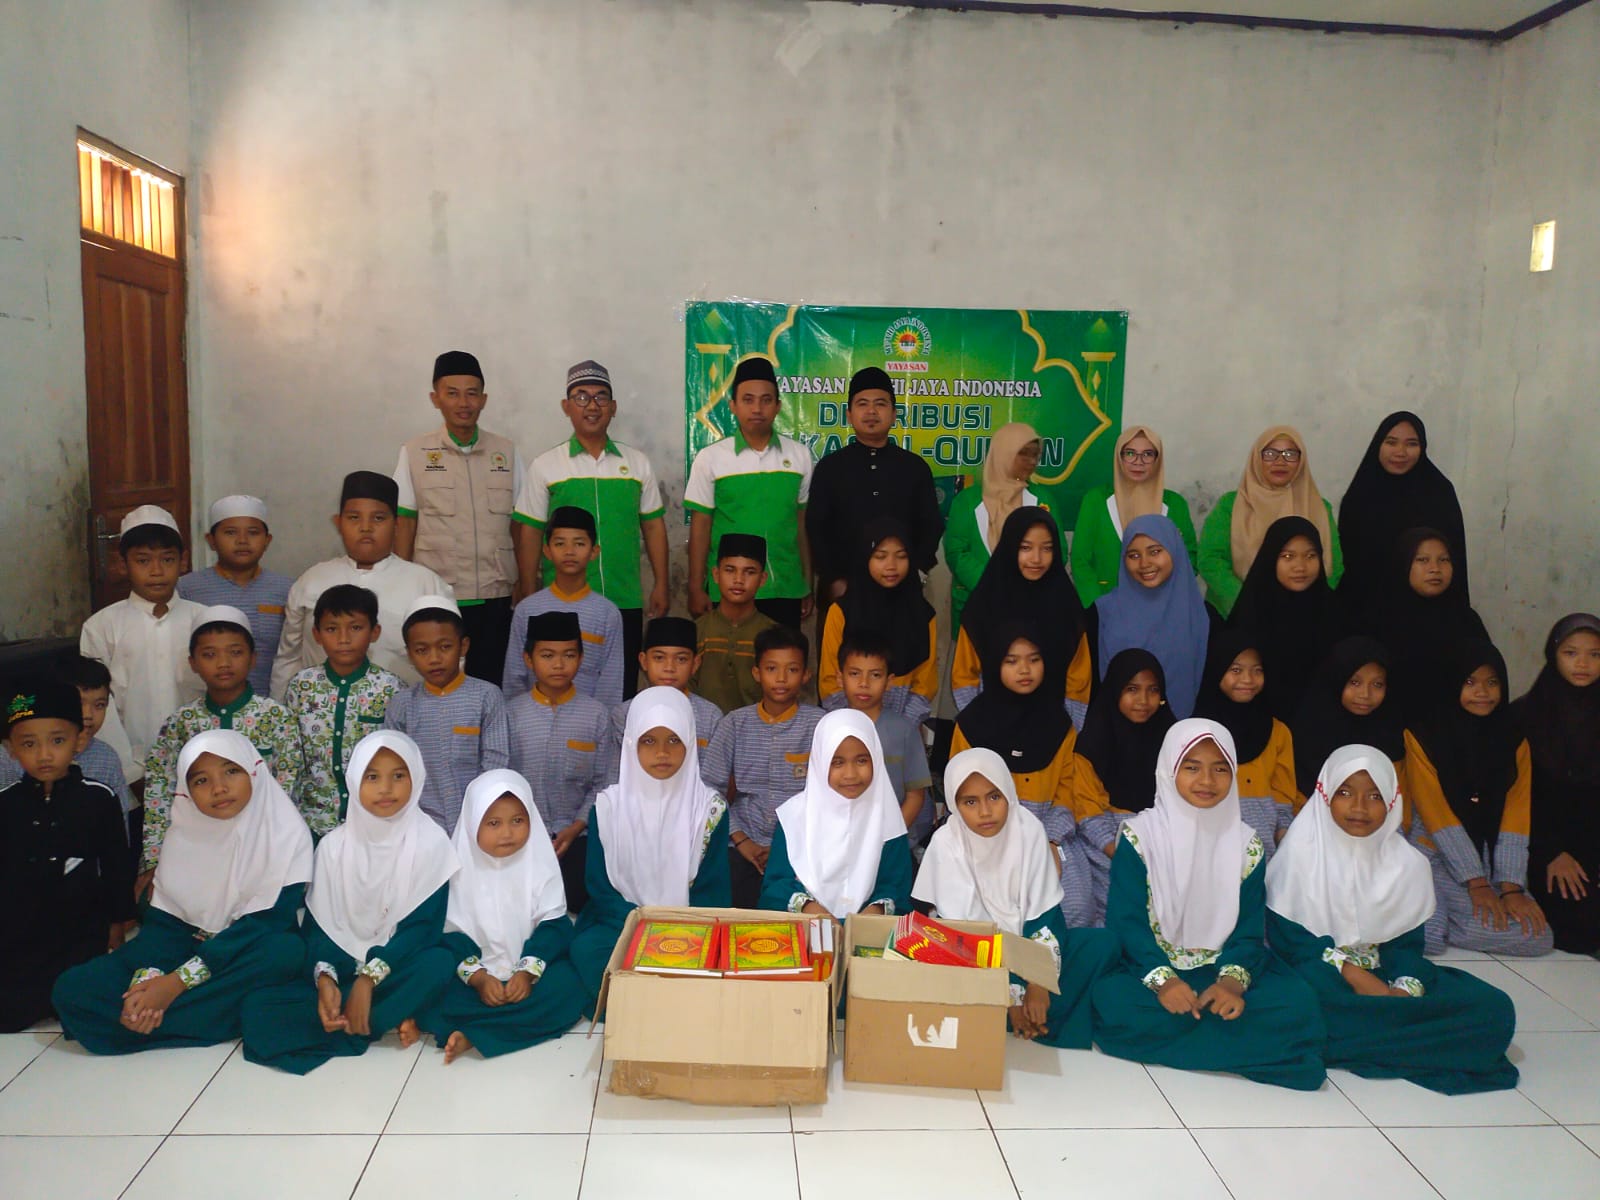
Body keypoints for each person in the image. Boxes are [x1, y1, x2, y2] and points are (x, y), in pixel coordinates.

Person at [1091, 719, 1327, 1090]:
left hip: (1222, 967)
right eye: (1192, 767)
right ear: (1169, 770)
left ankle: (1198, 1041)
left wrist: (1232, 983)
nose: (1207, 781)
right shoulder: (1140, 837)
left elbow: (1249, 930)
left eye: (1220, 769)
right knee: (1113, 1002)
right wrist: (1165, 982)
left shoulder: (1247, 844)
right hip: (1150, 967)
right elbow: (1127, 924)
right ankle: (1255, 1049)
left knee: (1299, 1002)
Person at [1267, 746, 1517, 1093]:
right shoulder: (1297, 856)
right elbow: (1292, 946)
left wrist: (1403, 988)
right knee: (1295, 1005)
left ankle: (1361, 1039)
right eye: (1345, 793)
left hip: (1384, 974)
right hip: (1322, 976)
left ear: (1392, 801)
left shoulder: (1407, 864)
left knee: (1494, 1008)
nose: (1359, 807)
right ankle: (1413, 1041)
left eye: (1375, 796)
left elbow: (1406, 947)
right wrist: (1353, 975)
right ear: (1325, 796)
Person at [53, 731, 311, 1054]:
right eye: (201, 780)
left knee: (284, 952)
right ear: (186, 791)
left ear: (254, 771)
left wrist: (175, 984)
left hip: (242, 953)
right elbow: (164, 927)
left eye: (231, 771)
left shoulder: (286, 833)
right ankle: (190, 1017)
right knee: (71, 989)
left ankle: (145, 1022)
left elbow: (264, 926)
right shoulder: (184, 835)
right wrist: (147, 984)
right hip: (182, 951)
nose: (219, 788)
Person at [240, 732, 457, 1074]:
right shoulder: (333, 847)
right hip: (342, 972)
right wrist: (326, 980)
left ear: (416, 778)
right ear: (354, 781)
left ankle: (361, 1018)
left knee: (439, 962)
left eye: (398, 776)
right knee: (257, 1006)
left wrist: (369, 979)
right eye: (372, 777)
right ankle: (379, 1017)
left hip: (398, 966)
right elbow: (318, 929)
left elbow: (421, 931)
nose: (385, 788)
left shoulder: (432, 843)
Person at [915, 748, 1120, 1047]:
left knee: (1103, 944)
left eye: (994, 797)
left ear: (1009, 793)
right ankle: (1020, 1014)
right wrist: (1011, 994)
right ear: (954, 805)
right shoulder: (947, 843)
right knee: (936, 962)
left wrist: (1038, 981)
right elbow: (962, 934)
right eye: (970, 802)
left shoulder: (1028, 830)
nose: (985, 811)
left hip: (1029, 945)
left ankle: (1024, 1014)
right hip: (973, 958)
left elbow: (1046, 918)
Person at [514, 360, 669, 698]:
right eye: (581, 397)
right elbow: (530, 531)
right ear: (566, 406)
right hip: (561, 601)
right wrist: (528, 587)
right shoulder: (546, 466)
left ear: (613, 407)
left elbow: (654, 527)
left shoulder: (637, 463)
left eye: (601, 397)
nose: (592, 406)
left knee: (619, 689)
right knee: (558, 686)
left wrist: (662, 583)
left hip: (623, 597)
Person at [412, 769, 586, 1061]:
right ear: (472, 824)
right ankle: (503, 1028)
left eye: (517, 821)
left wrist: (527, 971)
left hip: (531, 975)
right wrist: (478, 978)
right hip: (473, 978)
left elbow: (554, 926)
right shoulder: (454, 872)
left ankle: (474, 1033)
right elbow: (448, 935)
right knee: (430, 989)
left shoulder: (540, 863)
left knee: (571, 988)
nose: (507, 833)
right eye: (493, 823)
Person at [571, 688, 731, 1002]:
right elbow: (600, 888)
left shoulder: (709, 810)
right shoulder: (607, 808)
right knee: (588, 952)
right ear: (631, 743)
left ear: (690, 742)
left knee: (718, 961)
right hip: (621, 925)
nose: (662, 752)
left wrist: (676, 930)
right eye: (648, 741)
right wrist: (640, 925)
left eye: (673, 740)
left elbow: (713, 892)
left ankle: (645, 1004)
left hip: (691, 927)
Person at [0, 676, 136, 1032]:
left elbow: (116, 864)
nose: (44, 754)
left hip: (81, 932)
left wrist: (118, 920)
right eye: (29, 743)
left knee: (83, 1006)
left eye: (57, 741)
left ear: (78, 741)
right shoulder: (6, 804)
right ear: (11, 748)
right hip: (20, 936)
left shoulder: (97, 798)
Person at [1404, 640, 1554, 956]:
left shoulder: (1513, 739)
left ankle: (1436, 915)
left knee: (1537, 937)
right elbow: (1436, 814)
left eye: (1492, 682)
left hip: (1490, 856)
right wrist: (1477, 883)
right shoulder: (1422, 736)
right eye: (1470, 682)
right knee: (1431, 937)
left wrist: (1511, 888)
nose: (1482, 692)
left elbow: (1516, 815)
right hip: (1436, 852)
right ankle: (1433, 917)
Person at [141, 606, 305, 880]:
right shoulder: (181, 723)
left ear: (253, 658)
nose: (223, 663)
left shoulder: (277, 717)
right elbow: (159, 791)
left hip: (262, 848)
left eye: (235, 652)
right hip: (196, 848)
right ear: (193, 662)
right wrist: (155, 860)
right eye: (209, 655)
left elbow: (286, 790)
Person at [393, 351, 525, 686]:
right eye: (452, 393)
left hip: (496, 594)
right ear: (435, 398)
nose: (463, 403)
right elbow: (405, 522)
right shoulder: (415, 453)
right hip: (439, 593)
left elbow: (521, 524)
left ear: (484, 399)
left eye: (471, 393)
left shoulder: (506, 452)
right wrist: (402, 584)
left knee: (492, 684)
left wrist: (526, 581)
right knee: (440, 685)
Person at [952, 622, 1095, 926]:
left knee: (1075, 905)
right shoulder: (971, 724)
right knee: (977, 908)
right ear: (995, 664)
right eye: (1011, 661)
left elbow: (1067, 790)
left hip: (1047, 831)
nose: (1025, 670)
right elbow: (960, 791)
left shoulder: (1060, 724)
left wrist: (1049, 841)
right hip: (984, 831)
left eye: (1034, 659)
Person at [272, 471, 454, 696]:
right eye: (354, 518)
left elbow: (452, 663)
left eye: (378, 518)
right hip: (316, 712)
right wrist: (280, 708)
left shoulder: (427, 584)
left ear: (396, 524)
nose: (365, 527)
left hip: (405, 712)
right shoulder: (311, 580)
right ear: (338, 523)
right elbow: (288, 658)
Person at [686, 356, 814, 630]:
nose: (757, 408)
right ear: (733, 405)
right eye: (748, 400)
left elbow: (801, 525)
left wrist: (806, 583)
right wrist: (696, 587)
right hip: (729, 591)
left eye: (766, 400)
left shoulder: (800, 456)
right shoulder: (711, 458)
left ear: (778, 406)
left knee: (782, 658)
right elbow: (700, 527)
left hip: (785, 589)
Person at [701, 626, 825, 908]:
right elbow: (709, 790)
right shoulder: (735, 723)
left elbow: (829, 794)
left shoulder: (820, 725)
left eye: (792, 669)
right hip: (742, 842)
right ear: (756, 673)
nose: (781, 678)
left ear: (806, 675)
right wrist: (741, 840)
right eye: (771, 668)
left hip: (802, 845)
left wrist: (785, 847)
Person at [79, 504, 204, 778]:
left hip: (199, 762)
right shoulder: (101, 627)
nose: (156, 571)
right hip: (127, 767)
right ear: (122, 565)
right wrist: (128, 771)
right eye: (143, 561)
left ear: (183, 561)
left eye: (167, 559)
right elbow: (98, 705)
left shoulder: (204, 622)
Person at [503, 611, 614, 913]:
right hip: (523, 835)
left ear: (581, 658)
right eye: (547, 655)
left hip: (580, 836)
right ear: (528, 659)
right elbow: (503, 778)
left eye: (569, 655)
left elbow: (603, 783)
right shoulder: (510, 714)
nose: (559, 664)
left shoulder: (596, 715)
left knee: (582, 908)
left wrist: (576, 827)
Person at [806, 366, 944, 606]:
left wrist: (917, 571)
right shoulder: (830, 468)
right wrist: (834, 580)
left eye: (880, 404)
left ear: (894, 414)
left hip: (902, 592)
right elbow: (817, 529)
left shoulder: (915, 467)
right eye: (862, 404)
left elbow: (931, 525)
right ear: (849, 415)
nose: (871, 411)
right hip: (842, 593)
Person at [757, 709, 913, 916]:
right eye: (837, 762)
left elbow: (896, 886)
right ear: (820, 762)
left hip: (868, 929)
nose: (850, 774)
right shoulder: (793, 818)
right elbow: (775, 886)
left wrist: (876, 910)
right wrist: (810, 908)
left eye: (861, 760)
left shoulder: (889, 819)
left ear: (876, 758)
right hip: (806, 925)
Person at [952, 507, 1091, 728]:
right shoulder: (984, 605)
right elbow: (964, 676)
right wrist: (978, 723)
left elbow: (1079, 678)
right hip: (991, 727)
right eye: (1025, 547)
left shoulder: (1066, 606)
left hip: (1053, 730)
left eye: (1047, 548)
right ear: (1010, 547)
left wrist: (1067, 729)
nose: (1036, 558)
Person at [282, 585, 403, 837]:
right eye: (331, 629)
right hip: (311, 821)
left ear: (375, 632)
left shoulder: (391, 688)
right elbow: (291, 756)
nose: (344, 638)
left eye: (355, 627)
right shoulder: (302, 686)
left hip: (374, 821)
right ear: (316, 634)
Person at [383, 596, 511, 834]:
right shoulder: (402, 705)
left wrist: (476, 814)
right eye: (422, 650)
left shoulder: (486, 696)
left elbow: (495, 762)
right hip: (419, 827)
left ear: (463, 646)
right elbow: (394, 769)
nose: (434, 659)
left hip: (478, 822)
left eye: (445, 647)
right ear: (409, 654)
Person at [1337, 411, 1470, 629]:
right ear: (1378, 445)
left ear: (1422, 448)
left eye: (1411, 444)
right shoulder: (1359, 496)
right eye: (1391, 442)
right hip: (1366, 612)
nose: (1400, 452)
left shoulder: (1439, 493)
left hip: (1429, 614)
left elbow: (1453, 557)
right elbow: (1354, 563)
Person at [1070, 649, 1176, 923]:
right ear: (1115, 690)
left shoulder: (1173, 742)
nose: (1143, 700)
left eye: (1153, 690)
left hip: (1160, 844)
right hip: (1105, 847)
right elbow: (1087, 811)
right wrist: (1120, 852)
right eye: (1132, 689)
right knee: (1118, 912)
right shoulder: (1092, 744)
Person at [1517, 613, 1600, 954]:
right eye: (1571, 653)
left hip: (1593, 843)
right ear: (1553, 655)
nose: (1583, 663)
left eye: (1595, 654)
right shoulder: (1525, 716)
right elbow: (1517, 799)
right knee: (1581, 925)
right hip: (1544, 848)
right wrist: (1550, 852)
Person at [1198, 426, 1342, 618]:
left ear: (1301, 461)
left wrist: (1309, 603)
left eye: (1290, 454)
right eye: (1270, 454)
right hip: (1237, 613)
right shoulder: (1231, 505)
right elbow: (1210, 560)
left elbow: (1334, 565)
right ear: (1256, 458)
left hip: (1304, 614)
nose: (1280, 461)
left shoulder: (1318, 507)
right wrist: (1249, 601)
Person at [0, 655, 133, 846]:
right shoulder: (9, 758)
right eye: (79, 702)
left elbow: (118, 833)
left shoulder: (106, 759)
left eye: (99, 705)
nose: (88, 715)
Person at [501, 505, 626, 706]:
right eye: (560, 544)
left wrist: (600, 720)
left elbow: (611, 680)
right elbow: (514, 675)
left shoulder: (607, 613)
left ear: (594, 551)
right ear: (547, 550)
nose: (569, 551)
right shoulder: (527, 609)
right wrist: (518, 716)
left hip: (588, 720)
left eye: (579, 543)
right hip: (533, 718)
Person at [817, 517, 938, 724]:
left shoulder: (923, 614)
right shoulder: (841, 611)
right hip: (847, 724)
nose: (891, 566)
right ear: (865, 558)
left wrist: (899, 727)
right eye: (880, 556)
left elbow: (925, 684)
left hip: (902, 724)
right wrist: (853, 724)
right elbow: (830, 681)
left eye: (901, 556)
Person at [1194, 631, 1302, 859]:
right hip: (1205, 854)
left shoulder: (1277, 731)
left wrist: (1284, 842)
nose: (1247, 679)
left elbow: (1283, 798)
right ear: (1217, 670)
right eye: (1236, 670)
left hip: (1263, 856)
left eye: (1257, 670)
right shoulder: (1195, 731)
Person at [1363, 527, 1488, 723]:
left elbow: (1486, 677)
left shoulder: (1466, 620)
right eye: (1422, 560)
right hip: (1393, 726)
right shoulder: (1379, 621)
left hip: (1458, 726)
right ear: (1403, 564)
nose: (1435, 568)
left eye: (1444, 560)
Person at [1226, 516, 1344, 721]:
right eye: (1288, 556)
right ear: (1271, 558)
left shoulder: (1335, 612)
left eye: (1310, 555)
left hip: (1321, 722)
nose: (1300, 566)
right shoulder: (1252, 612)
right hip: (1260, 723)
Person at [1093, 514, 1209, 718]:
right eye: (1133, 555)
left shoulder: (1200, 615)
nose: (1144, 563)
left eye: (1155, 552)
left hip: (1184, 729)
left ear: (1175, 551)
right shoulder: (1102, 612)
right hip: (1120, 727)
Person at [177, 495, 293, 697]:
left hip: (272, 704)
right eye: (230, 532)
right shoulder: (186, 589)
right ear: (211, 540)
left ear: (267, 540)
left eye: (253, 533)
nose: (242, 541)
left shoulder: (289, 590)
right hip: (204, 704)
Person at [1071, 425, 1199, 607]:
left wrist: (1164, 597)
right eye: (1130, 453)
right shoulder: (1095, 501)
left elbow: (1189, 558)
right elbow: (1080, 560)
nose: (1138, 461)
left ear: (1157, 459)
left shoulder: (1175, 504)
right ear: (1119, 457)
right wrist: (1098, 605)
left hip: (1162, 606)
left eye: (1148, 454)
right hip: (1106, 605)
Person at [832, 634, 934, 847]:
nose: (864, 683)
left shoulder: (904, 730)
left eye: (875, 675)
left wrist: (890, 837)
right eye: (854, 674)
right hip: (839, 840)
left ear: (889, 682)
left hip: (892, 841)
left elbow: (915, 795)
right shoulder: (829, 729)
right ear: (839, 678)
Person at [942, 422, 1043, 636]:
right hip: (977, 605)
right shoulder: (967, 501)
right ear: (1003, 453)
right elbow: (956, 552)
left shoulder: (1043, 500)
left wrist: (1023, 585)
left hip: (1029, 606)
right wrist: (995, 586)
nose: (1032, 461)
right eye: (1023, 453)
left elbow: (1057, 549)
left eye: (1035, 455)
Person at [1290, 637, 1406, 801]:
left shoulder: (1392, 736)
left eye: (1377, 684)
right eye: (1354, 682)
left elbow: (1400, 802)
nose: (1365, 694)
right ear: (1335, 680)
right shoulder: (1307, 733)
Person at [610, 616, 723, 754]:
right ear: (644, 661)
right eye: (659, 658)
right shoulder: (624, 714)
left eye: (681, 659)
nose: (669, 668)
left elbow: (714, 767)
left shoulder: (710, 716)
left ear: (695, 664)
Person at [691, 533, 777, 713]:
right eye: (730, 570)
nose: (739, 580)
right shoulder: (697, 631)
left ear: (762, 579)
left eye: (749, 572)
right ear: (716, 574)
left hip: (756, 728)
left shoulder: (773, 635)